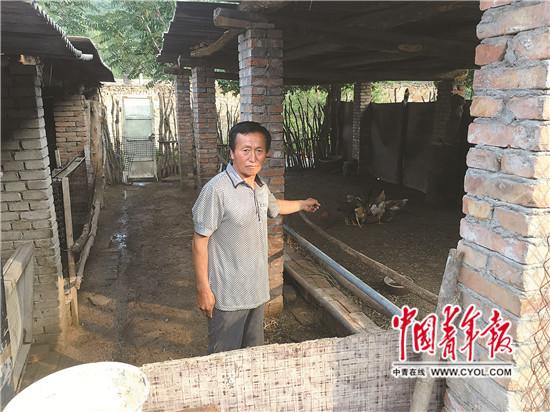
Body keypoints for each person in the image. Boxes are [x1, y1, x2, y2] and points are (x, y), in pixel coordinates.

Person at [192, 121, 320, 354]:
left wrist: (302, 204)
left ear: (266, 154)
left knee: (253, 355)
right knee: (225, 358)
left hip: (256, 289)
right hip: (228, 295)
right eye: (245, 150)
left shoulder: (260, 186)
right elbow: (199, 242)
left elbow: (273, 206)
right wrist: (203, 289)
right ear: (232, 153)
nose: (252, 158)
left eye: (259, 150)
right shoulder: (216, 190)